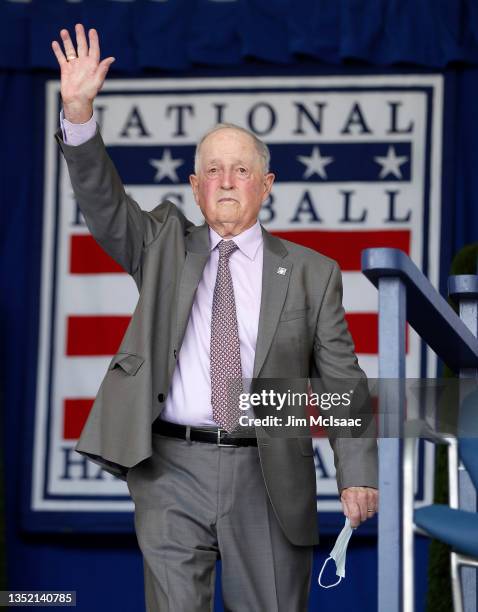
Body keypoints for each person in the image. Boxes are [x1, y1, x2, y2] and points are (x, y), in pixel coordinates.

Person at [52, 24, 379, 612]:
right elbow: (103, 204)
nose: (227, 181)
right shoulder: (160, 244)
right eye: (214, 171)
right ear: (196, 187)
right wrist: (78, 115)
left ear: (266, 185)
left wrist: (355, 470)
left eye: (242, 170)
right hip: (169, 470)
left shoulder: (312, 272)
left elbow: (341, 382)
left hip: (269, 469)